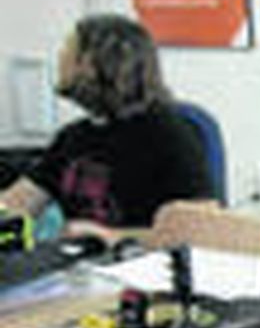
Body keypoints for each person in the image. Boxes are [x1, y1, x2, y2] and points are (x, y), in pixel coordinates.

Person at [0, 13, 214, 233]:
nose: (61, 57)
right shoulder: (73, 137)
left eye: (69, 50)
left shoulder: (171, 135)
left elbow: (201, 231)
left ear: (95, 64)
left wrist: (111, 237)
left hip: (145, 263)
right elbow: (19, 203)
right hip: (82, 262)